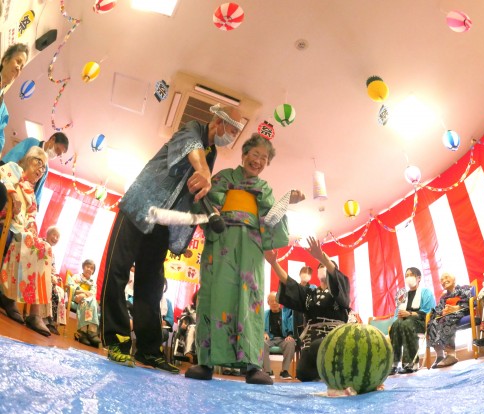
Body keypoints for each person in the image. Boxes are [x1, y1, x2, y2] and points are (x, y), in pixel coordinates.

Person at [100, 105, 243, 373]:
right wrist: (204, 172)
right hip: (139, 207)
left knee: (152, 286)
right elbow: (192, 149)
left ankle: (148, 350)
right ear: (218, 121)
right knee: (117, 271)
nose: (234, 135)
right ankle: (117, 342)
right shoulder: (192, 129)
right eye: (233, 129)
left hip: (163, 222)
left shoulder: (212, 153)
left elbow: (196, 188)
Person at [185, 133, 305, 385]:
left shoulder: (265, 189)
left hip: (251, 246)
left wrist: (287, 201)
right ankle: (205, 362)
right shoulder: (224, 177)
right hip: (221, 240)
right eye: (255, 154)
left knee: (250, 300)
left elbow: (271, 221)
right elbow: (203, 204)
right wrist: (212, 211)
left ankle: (252, 366)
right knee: (212, 296)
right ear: (244, 154)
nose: (258, 161)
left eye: (264, 158)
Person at [265, 236, 351, 382]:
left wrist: (322, 257)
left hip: (334, 338)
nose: (323, 267)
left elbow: (337, 278)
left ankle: (333, 370)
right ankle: (323, 371)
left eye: (326, 265)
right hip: (311, 340)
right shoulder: (310, 293)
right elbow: (290, 283)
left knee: (320, 346)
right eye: (320, 266)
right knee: (302, 373)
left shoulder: (340, 289)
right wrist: (274, 263)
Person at [0, 147, 52, 335]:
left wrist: (31, 229)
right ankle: (8, 296)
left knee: (44, 247)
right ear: (30, 159)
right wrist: (13, 194)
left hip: (20, 231)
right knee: (30, 243)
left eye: (44, 168)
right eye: (39, 163)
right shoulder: (14, 168)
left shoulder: (32, 193)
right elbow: (1, 175)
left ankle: (35, 313)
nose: (41, 170)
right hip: (6, 223)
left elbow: (31, 218)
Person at [389, 267, 436, 374]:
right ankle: (394, 364)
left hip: (421, 322)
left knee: (407, 323)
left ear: (418, 278)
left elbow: (429, 311)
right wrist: (399, 317)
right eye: (406, 276)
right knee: (396, 325)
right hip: (405, 323)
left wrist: (409, 314)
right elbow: (397, 314)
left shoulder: (426, 292)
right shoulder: (404, 296)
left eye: (411, 275)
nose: (408, 277)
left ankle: (411, 364)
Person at [1, 132, 69, 205]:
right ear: (52, 139)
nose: (55, 154)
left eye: (58, 154)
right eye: (57, 149)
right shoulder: (32, 143)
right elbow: (12, 156)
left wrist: (34, 206)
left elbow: (38, 192)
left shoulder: (45, 169)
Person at [427, 272, 472, 369]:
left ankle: (451, 355)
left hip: (462, 312)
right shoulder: (444, 297)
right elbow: (438, 309)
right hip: (447, 315)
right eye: (442, 280)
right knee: (432, 323)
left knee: (446, 319)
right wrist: (441, 312)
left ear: (454, 279)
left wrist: (456, 308)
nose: (444, 281)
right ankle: (440, 356)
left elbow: (470, 301)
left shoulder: (464, 288)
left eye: (446, 277)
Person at [0, 43, 29, 154]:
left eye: (21, 67)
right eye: (18, 61)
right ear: (5, 60)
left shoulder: (3, 109)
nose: (18, 68)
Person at [263, 291, 295, 380]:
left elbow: (291, 327)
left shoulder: (286, 314)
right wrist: (264, 333)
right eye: (271, 301)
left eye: (276, 300)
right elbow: (260, 328)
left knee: (291, 342)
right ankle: (268, 371)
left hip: (283, 339)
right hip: (270, 339)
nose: (274, 303)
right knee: (262, 343)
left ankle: (284, 371)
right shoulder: (264, 314)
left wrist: (290, 335)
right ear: (268, 302)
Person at [70, 259, 101, 347]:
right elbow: (72, 288)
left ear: (93, 271)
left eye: (92, 268)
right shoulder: (76, 276)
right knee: (89, 301)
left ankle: (85, 332)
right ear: (83, 267)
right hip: (76, 298)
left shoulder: (93, 282)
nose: (89, 269)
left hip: (86, 300)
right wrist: (84, 292)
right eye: (87, 267)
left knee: (89, 302)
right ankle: (89, 332)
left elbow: (93, 293)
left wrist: (84, 295)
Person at [42, 225, 63, 335]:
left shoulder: (53, 253)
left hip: (49, 277)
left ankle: (52, 322)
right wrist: (51, 276)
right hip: (40, 274)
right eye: (54, 235)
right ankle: (44, 319)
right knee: (48, 286)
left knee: (60, 292)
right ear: (48, 234)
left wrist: (55, 277)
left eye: (57, 237)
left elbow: (53, 268)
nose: (55, 238)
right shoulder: (42, 244)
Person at [160, 280, 174, 346]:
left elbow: (171, 318)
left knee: (163, 333)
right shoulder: (148, 299)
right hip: (149, 325)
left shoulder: (168, 302)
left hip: (161, 327)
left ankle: (156, 349)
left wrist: (165, 322)